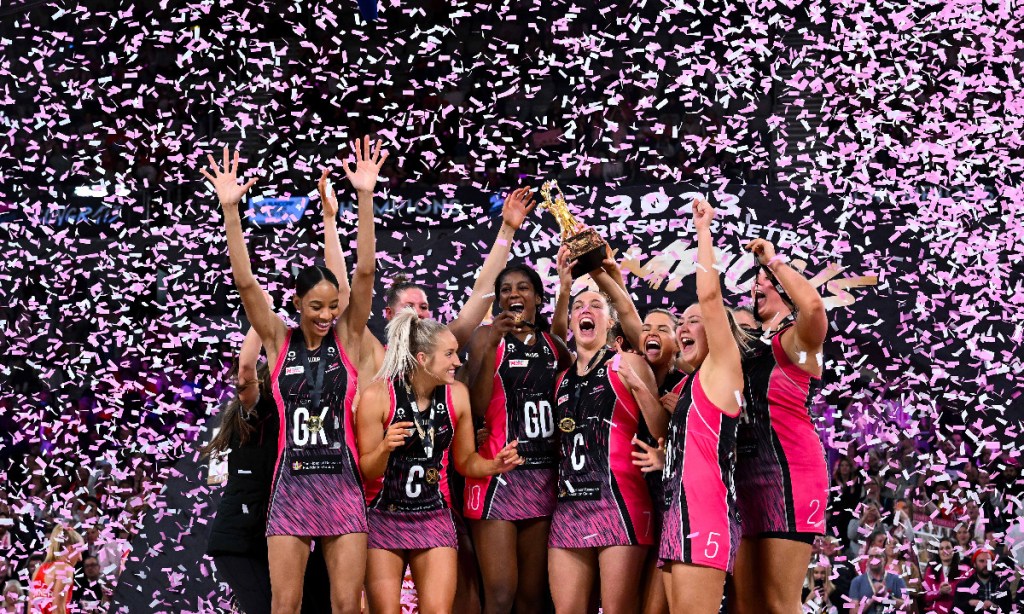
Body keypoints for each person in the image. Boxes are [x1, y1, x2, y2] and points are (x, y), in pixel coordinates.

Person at [202, 137, 386, 614]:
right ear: (298, 305)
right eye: (317, 307)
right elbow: (245, 283)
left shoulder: (346, 339)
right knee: (285, 605)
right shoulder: (277, 341)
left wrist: (364, 197)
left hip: (343, 487)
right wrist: (231, 210)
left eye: (332, 306)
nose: (327, 315)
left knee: (347, 605)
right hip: (291, 488)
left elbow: (363, 273)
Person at [357, 310, 525, 614]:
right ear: (422, 358)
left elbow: (464, 462)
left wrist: (493, 465)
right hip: (384, 516)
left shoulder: (457, 395)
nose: (457, 362)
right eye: (449, 354)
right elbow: (367, 471)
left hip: (433, 514)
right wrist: (384, 448)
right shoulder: (377, 396)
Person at [547, 240, 663, 613]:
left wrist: (641, 389)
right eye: (579, 306)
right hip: (568, 506)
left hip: (618, 501)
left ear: (610, 321)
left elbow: (661, 427)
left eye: (595, 305)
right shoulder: (560, 379)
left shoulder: (626, 362)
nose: (585, 310)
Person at [461, 263, 572, 614]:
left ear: (538, 298)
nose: (513, 294)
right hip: (497, 477)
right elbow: (476, 405)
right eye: (506, 289)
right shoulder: (485, 337)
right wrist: (492, 342)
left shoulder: (554, 347)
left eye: (523, 287)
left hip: (541, 479)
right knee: (500, 594)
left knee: (532, 597)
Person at [731, 234, 831, 614]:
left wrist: (775, 263)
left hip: (788, 472)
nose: (759, 284)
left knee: (779, 603)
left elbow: (815, 308)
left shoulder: (798, 340)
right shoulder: (751, 344)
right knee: (747, 604)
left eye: (768, 283)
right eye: (756, 280)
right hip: (746, 474)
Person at [659, 198, 747, 614]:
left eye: (694, 320)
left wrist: (703, 229)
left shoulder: (724, 367)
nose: (683, 326)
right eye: (682, 322)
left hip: (705, 513)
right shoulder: (694, 383)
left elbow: (711, 297)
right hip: (678, 511)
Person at [636, 308, 684, 614]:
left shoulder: (688, 386)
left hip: (669, 507)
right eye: (646, 328)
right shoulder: (617, 380)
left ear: (678, 343)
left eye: (663, 329)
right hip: (627, 504)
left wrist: (685, 411)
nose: (652, 333)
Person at [29, 525, 84, 614]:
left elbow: (30, 610)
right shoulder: (65, 569)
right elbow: (58, 609)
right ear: (70, 549)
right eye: (80, 551)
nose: (80, 558)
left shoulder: (38, 570)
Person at [847, 546, 907, 614]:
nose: (874, 559)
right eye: (871, 556)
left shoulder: (897, 579)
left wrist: (888, 597)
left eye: (877, 556)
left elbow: (907, 606)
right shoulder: (856, 582)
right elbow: (853, 612)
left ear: (884, 559)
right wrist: (872, 599)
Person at [951, 549, 1011, 613]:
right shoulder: (963, 586)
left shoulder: (1003, 587)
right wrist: (969, 603)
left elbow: (1009, 610)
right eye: (981, 561)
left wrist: (995, 607)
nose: (985, 564)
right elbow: (954, 610)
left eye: (988, 561)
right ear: (974, 564)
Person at [921, 537, 962, 614]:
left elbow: (969, 593)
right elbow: (926, 596)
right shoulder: (930, 570)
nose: (944, 551)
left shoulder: (964, 570)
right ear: (938, 552)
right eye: (941, 548)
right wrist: (939, 592)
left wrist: (951, 590)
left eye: (948, 548)